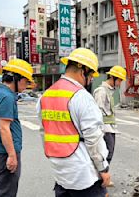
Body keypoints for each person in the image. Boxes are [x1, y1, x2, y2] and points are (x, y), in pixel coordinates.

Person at [38, 48, 110, 196]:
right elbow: (93, 139)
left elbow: (44, 132)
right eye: (90, 76)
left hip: (59, 171)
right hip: (83, 174)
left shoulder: (46, 95)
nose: (90, 80)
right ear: (83, 70)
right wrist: (103, 169)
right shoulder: (81, 97)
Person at [0, 59, 34, 197]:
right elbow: (4, 128)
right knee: (6, 192)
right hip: (5, 153)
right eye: (25, 81)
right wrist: (12, 156)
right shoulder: (6, 97)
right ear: (16, 78)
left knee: (1, 189)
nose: (27, 85)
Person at [93, 66, 126, 165]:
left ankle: (103, 176)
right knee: (105, 154)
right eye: (119, 80)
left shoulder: (109, 91)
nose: (120, 83)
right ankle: (101, 177)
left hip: (110, 128)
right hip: (104, 129)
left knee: (109, 153)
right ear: (113, 77)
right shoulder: (101, 91)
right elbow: (97, 111)